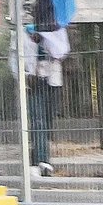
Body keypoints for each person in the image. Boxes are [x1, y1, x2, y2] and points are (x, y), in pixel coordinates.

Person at [24, 21, 66, 177]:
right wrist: (22, 77)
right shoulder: (24, 30)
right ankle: (40, 161)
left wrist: (45, 35)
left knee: (48, 119)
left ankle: (40, 158)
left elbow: (61, 52)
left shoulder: (58, 29)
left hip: (52, 78)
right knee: (37, 120)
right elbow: (16, 55)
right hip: (32, 80)